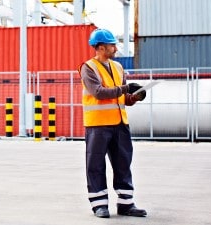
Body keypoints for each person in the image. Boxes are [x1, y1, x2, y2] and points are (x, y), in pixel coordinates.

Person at [78, 28, 147, 218]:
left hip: (120, 124)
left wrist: (133, 97)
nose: (115, 48)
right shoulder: (88, 68)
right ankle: (99, 205)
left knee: (123, 163)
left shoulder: (118, 67)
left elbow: (121, 96)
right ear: (100, 47)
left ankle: (126, 204)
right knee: (96, 165)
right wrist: (125, 88)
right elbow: (98, 92)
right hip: (98, 125)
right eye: (111, 45)